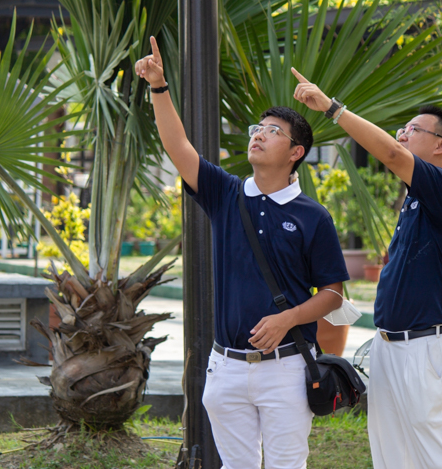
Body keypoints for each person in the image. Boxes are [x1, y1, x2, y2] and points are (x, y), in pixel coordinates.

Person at [135, 37, 350, 468]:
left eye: (273, 131)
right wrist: (158, 86)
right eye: (257, 128)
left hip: (287, 368)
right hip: (226, 367)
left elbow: (334, 295)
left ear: (295, 153)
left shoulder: (313, 216)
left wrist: (287, 318)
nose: (259, 135)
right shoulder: (226, 193)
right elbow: (179, 149)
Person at [292, 68, 442, 469]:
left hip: (426, 349)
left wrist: (331, 108)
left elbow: (391, 155)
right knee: (392, 454)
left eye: (413, 129)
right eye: (402, 129)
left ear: (441, 144)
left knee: (436, 453)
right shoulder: (414, 200)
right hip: (390, 347)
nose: (402, 135)